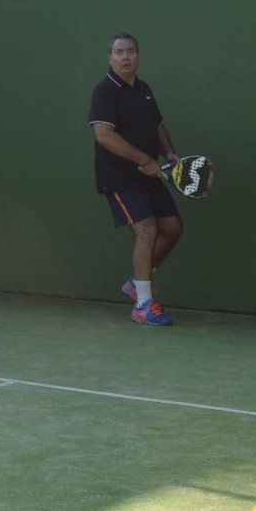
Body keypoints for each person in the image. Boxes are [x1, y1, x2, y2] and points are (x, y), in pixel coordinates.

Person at [88, 32, 181, 326]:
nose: (125, 57)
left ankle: (137, 282)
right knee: (147, 230)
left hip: (149, 175)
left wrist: (168, 152)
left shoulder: (144, 90)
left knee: (173, 228)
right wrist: (144, 160)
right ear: (110, 58)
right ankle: (143, 304)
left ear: (138, 56)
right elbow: (104, 136)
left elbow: (157, 125)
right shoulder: (105, 91)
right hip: (119, 178)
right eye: (119, 52)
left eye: (130, 51)